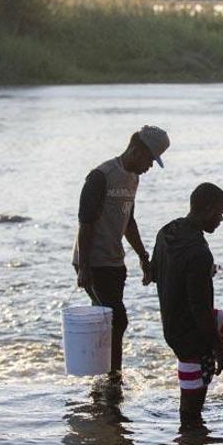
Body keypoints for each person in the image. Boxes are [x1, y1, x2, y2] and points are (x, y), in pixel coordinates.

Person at [150, 183, 223, 424]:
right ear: (208, 210)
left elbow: (155, 273)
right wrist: (218, 348)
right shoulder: (199, 253)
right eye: (220, 213)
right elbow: (200, 309)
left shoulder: (167, 231)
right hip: (191, 334)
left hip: (174, 321)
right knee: (191, 412)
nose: (221, 219)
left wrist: (199, 274)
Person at [73, 125, 169, 380]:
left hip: (115, 262)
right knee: (118, 319)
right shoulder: (100, 176)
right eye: (149, 160)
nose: (149, 167)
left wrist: (143, 256)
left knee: (108, 321)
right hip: (93, 262)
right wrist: (84, 267)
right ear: (136, 150)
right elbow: (86, 222)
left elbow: (129, 221)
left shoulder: (133, 178)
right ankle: (112, 377)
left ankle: (103, 376)